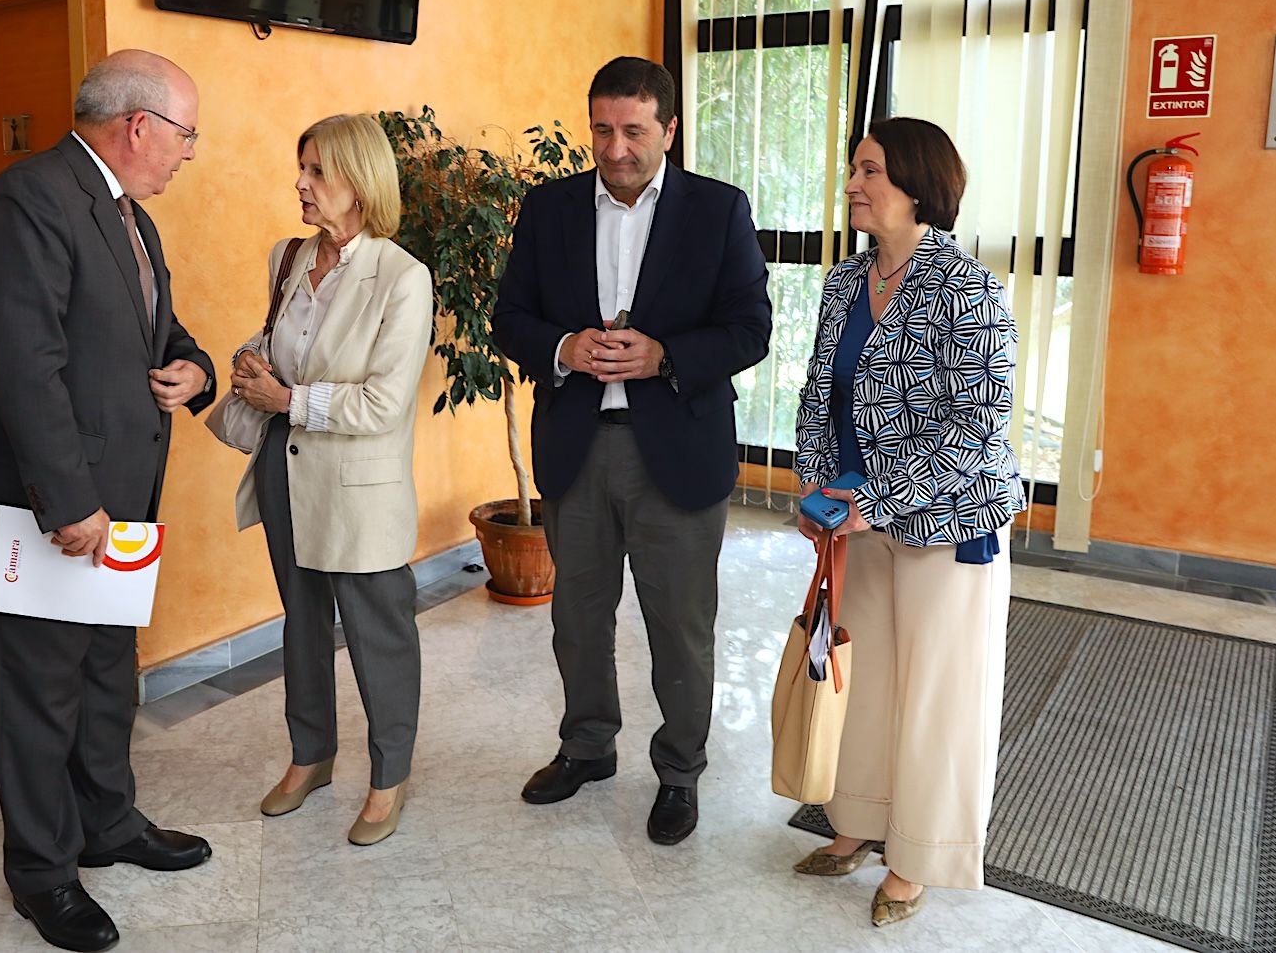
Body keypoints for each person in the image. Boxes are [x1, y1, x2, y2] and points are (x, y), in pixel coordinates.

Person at [0, 50, 218, 952]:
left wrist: (197, 370)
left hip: (123, 500)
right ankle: (42, 872)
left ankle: (110, 823)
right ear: (137, 126)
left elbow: (159, 331)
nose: (189, 152)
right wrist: (68, 500)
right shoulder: (32, 197)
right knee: (36, 692)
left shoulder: (129, 216)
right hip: (49, 511)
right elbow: (25, 364)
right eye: (185, 134)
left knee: (107, 673)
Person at [491, 57, 772, 845]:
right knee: (578, 617)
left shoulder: (717, 211)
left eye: (635, 131)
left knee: (679, 625)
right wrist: (563, 345)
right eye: (603, 130)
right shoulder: (547, 210)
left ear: (670, 129)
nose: (616, 149)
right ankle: (587, 747)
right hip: (577, 449)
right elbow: (509, 318)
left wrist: (667, 356)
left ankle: (679, 772)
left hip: (676, 454)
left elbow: (751, 326)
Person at [791, 117, 1027, 927]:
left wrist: (875, 497)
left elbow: (977, 428)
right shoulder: (842, 281)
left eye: (869, 171)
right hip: (857, 520)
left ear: (918, 186)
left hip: (947, 524)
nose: (853, 184)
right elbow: (820, 395)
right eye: (854, 169)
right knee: (867, 681)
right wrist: (816, 489)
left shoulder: (969, 288)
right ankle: (854, 822)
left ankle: (917, 859)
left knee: (936, 698)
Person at [227, 113, 433, 847]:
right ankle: (310, 755)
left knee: (379, 633)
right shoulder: (288, 257)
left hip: (360, 488)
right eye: (301, 167)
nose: (301, 184)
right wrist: (250, 365)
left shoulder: (403, 277)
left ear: (360, 181)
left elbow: (383, 401)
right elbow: (278, 343)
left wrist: (288, 400)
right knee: (302, 621)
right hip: (288, 470)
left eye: (317, 171)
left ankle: (389, 776)